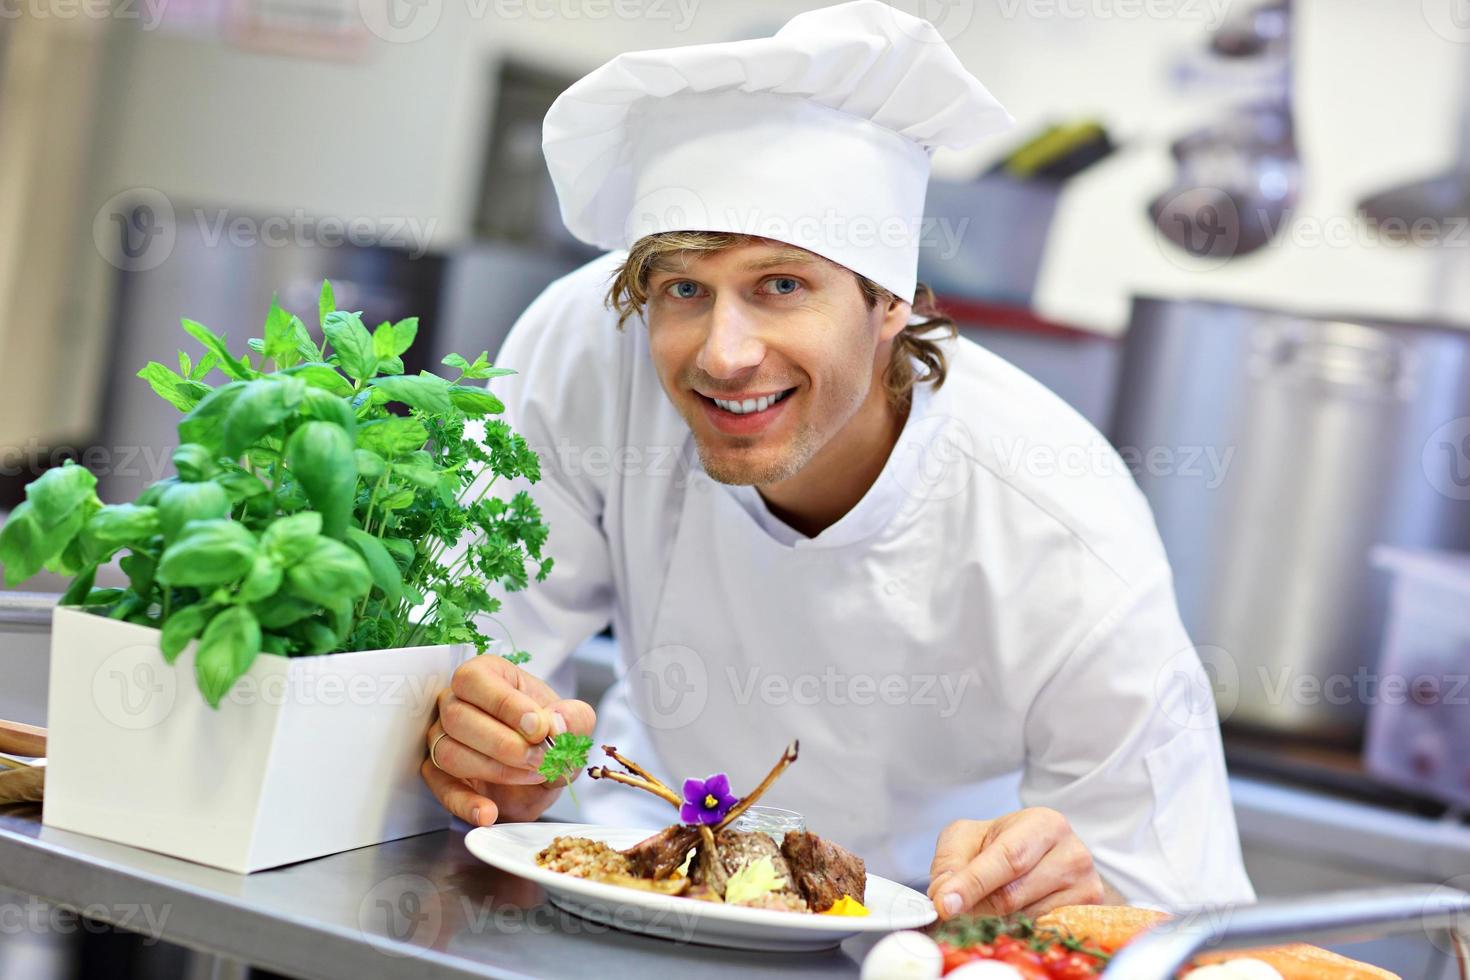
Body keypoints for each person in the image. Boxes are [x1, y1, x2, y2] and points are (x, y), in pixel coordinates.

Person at [421, 0, 1255, 916]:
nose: (723, 353)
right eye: (684, 289)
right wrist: (488, 747)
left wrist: (1071, 887)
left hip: (920, 945)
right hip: (626, 889)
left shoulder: (1061, 526)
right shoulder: (589, 350)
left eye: (782, 285)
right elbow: (459, 662)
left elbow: (1176, 915)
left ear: (890, 302)